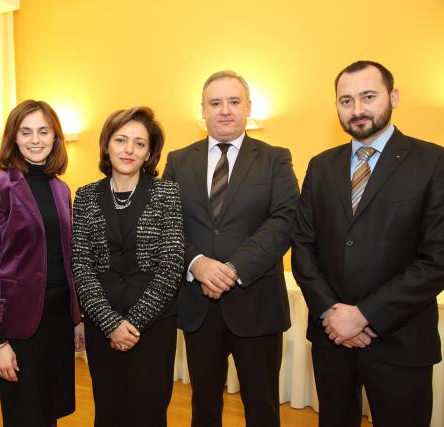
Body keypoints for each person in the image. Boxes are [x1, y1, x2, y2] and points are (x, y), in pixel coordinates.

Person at [291, 60, 444, 427]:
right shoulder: (321, 166)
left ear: (393, 97)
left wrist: (363, 316)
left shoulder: (433, 161)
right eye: (346, 100)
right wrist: (331, 312)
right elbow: (302, 245)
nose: (357, 110)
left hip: (400, 340)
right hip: (333, 341)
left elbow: (437, 257)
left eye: (368, 96)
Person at [163, 70, 299, 427]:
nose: (225, 110)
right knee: (204, 405)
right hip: (198, 307)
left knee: (263, 406)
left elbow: (285, 220)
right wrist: (197, 263)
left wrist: (233, 269)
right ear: (203, 110)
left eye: (234, 101)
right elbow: (166, 224)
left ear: (248, 107)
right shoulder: (178, 161)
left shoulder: (275, 158)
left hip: (257, 303)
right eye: (215, 103)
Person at [0, 99, 84, 427]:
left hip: (58, 321)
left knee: (49, 414)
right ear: (14, 138)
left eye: (43, 131)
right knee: (23, 415)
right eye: (26, 131)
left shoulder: (61, 189)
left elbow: (66, 257)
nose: (35, 139)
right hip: (17, 327)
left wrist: (75, 319)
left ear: (55, 138)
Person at [72, 106, 184, 427]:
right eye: (121, 140)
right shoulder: (85, 196)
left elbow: (172, 263)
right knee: (109, 410)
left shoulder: (166, 193)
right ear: (107, 144)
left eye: (139, 143)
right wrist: (111, 324)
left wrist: (132, 324)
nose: (129, 150)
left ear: (149, 152)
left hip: (152, 326)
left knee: (149, 412)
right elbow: (81, 265)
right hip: (101, 323)